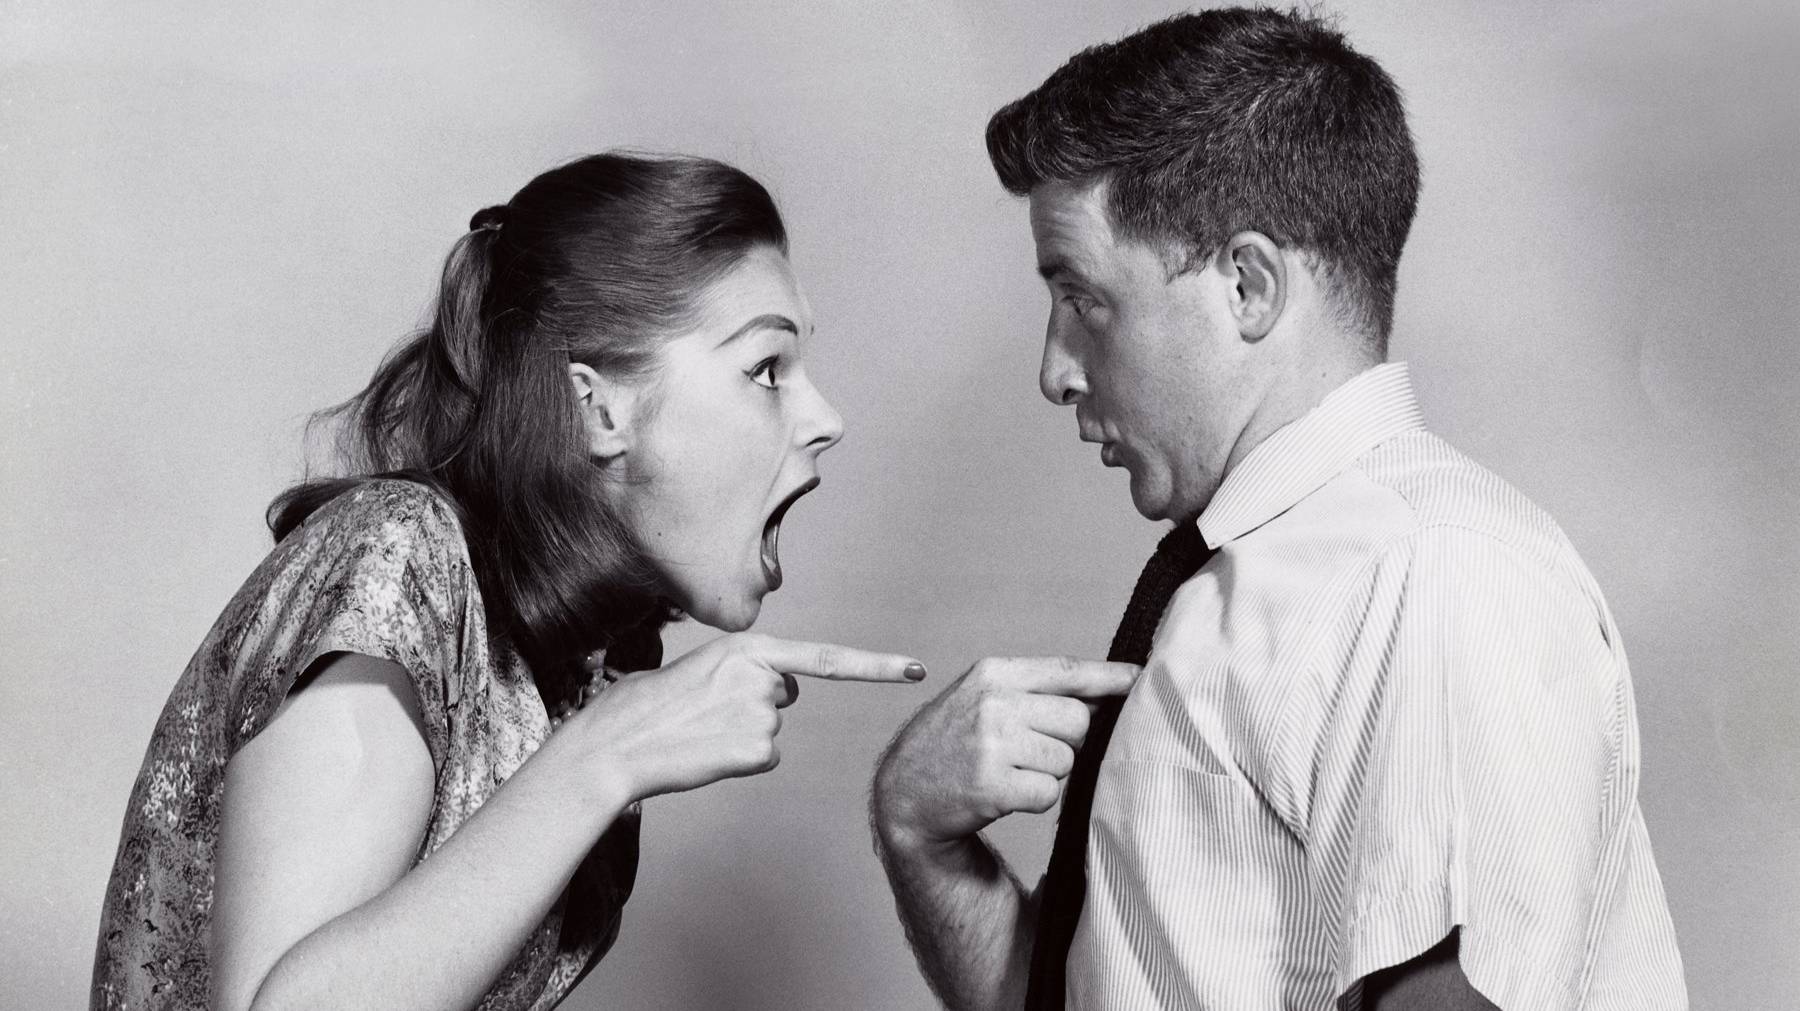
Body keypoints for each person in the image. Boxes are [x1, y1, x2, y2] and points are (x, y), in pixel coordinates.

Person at [870, 9, 1685, 1010]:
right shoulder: (1258, 578)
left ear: (1248, 285)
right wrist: (920, 831)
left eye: (1083, 299)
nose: (1056, 371)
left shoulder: (1433, 573)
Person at [91, 152, 927, 1011]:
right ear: (598, 410)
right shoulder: (397, 556)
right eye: (767, 369)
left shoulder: (575, 668)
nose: (827, 419)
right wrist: (606, 755)